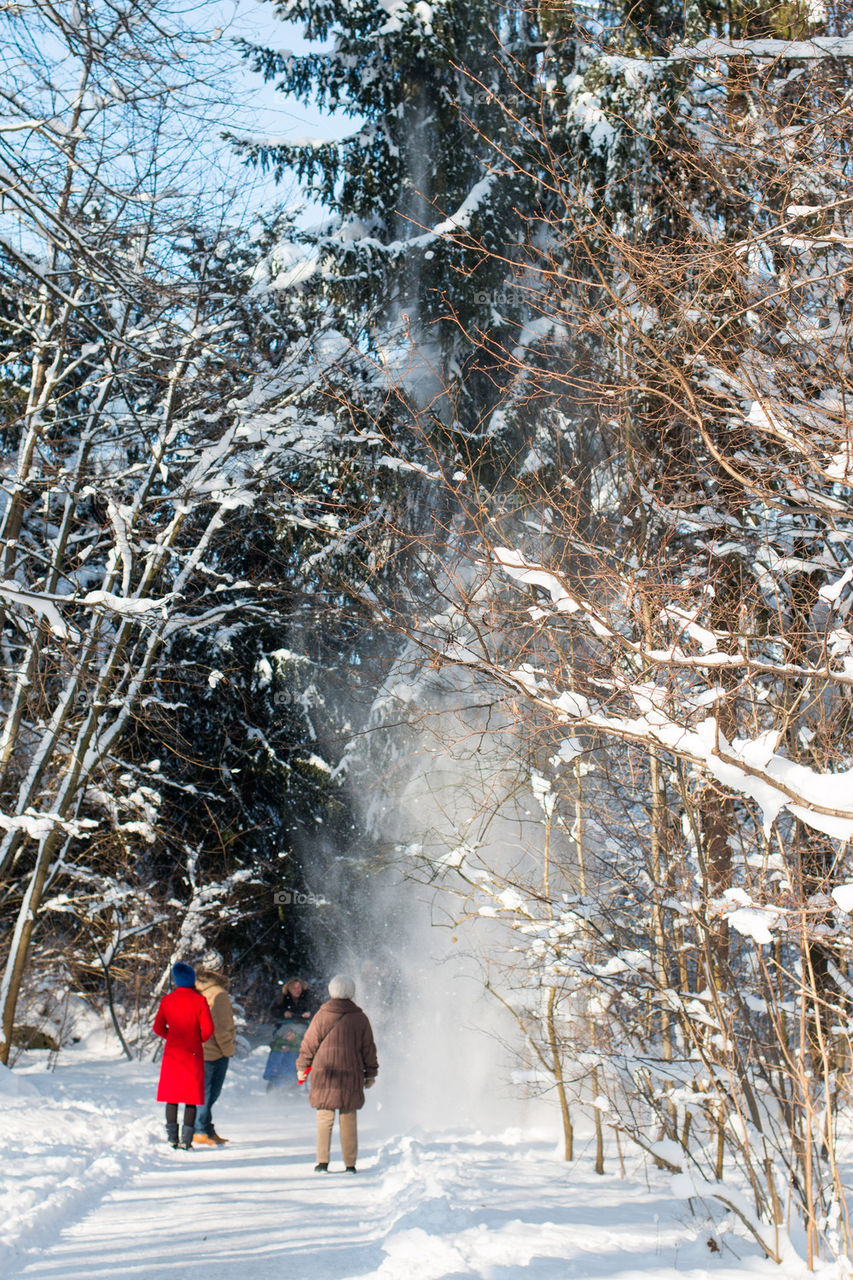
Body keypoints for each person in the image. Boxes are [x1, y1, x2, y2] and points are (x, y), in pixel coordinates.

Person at [296, 974, 378, 1173]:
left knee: (324, 1118)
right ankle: (350, 1164)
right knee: (348, 1119)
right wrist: (370, 1073)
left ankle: (322, 1162)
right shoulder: (360, 1017)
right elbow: (368, 1048)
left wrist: (302, 1067)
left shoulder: (322, 1015)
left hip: (325, 1073)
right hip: (351, 1073)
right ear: (351, 992)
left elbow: (309, 1044)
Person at [153, 961, 214, 1149]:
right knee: (190, 1098)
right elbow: (209, 1029)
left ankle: (172, 1138)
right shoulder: (199, 1001)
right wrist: (197, 1038)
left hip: (173, 1054)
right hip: (192, 1054)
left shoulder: (167, 1000)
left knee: (171, 1097)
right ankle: (186, 1141)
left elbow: (157, 1027)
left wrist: (170, 1035)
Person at [193, 951, 236, 1146]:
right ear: (220, 969)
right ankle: (200, 1130)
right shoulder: (218, 993)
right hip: (212, 1050)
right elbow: (221, 1027)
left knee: (204, 1091)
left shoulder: (197, 988)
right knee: (209, 1092)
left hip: (198, 1047)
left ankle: (207, 1128)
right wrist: (228, 1049)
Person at [264, 977, 319, 1088]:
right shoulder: (283, 998)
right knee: (280, 1046)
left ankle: (293, 1077)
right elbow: (273, 1011)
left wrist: (309, 1013)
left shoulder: (308, 998)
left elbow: (318, 1010)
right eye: (294, 988)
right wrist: (284, 1013)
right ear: (288, 989)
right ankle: (275, 1076)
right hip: (284, 1027)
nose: (297, 990)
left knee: (297, 1044)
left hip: (303, 1027)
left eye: (299, 987)